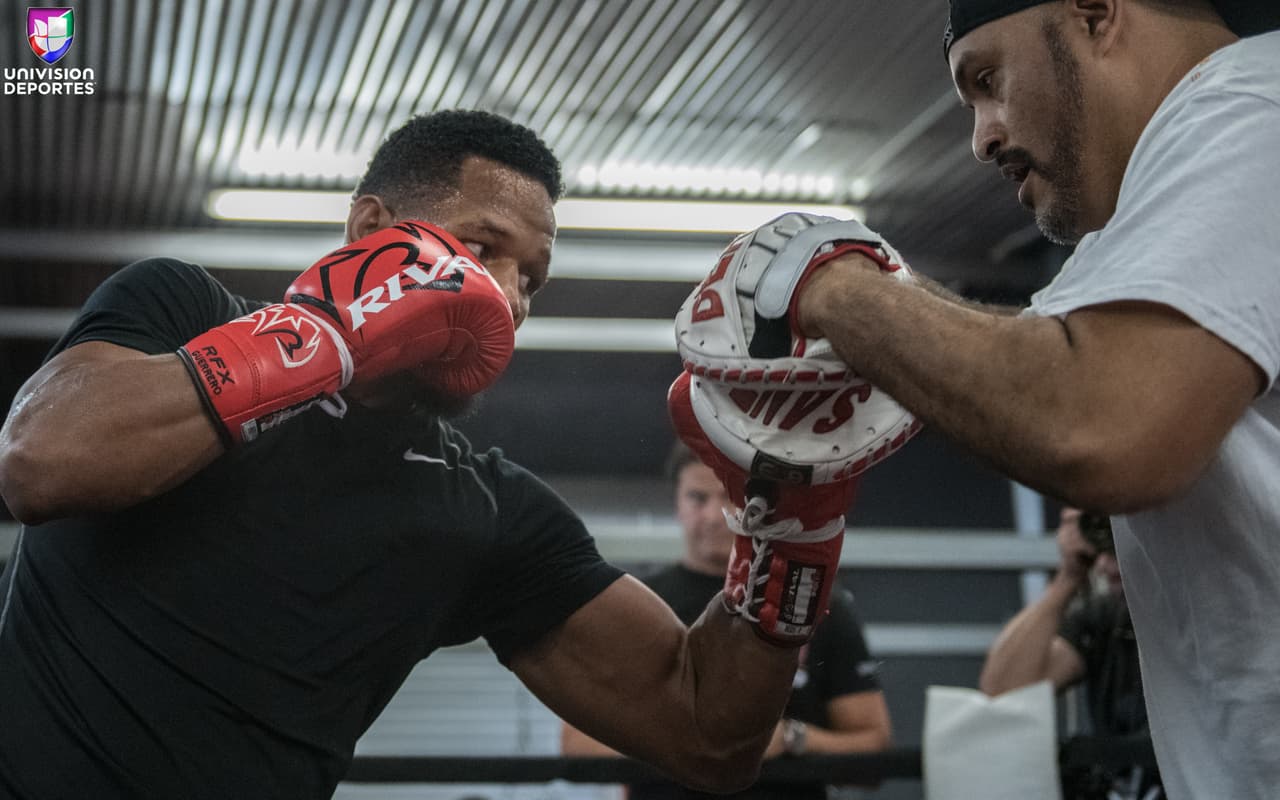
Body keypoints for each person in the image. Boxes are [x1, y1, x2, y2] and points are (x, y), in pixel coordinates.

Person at [0, 110, 826, 800]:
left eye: (533, 280)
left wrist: (793, 523)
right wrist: (321, 335)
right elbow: (41, 460)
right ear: (370, 231)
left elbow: (705, 732)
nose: (508, 294)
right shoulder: (180, 310)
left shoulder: (481, 510)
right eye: (481, 246)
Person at [684, 1, 1278, 796]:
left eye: (989, 80)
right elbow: (1032, 374)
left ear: (1096, 15)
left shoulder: (1250, 109)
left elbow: (1095, 424)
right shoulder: (1130, 229)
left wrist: (826, 284)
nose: (982, 136)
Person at [561, 443, 892, 800]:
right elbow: (578, 746)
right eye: (697, 498)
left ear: (760, 505)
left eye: (728, 497)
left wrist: (793, 738)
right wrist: (692, 745)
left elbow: (874, 753)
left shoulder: (813, 602)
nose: (714, 515)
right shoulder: (631, 603)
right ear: (678, 504)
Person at [980, 507, 1160, 799]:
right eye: (1108, 540)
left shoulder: (1204, 616)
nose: (1108, 564)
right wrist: (1069, 576)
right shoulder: (1105, 620)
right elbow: (1002, 688)